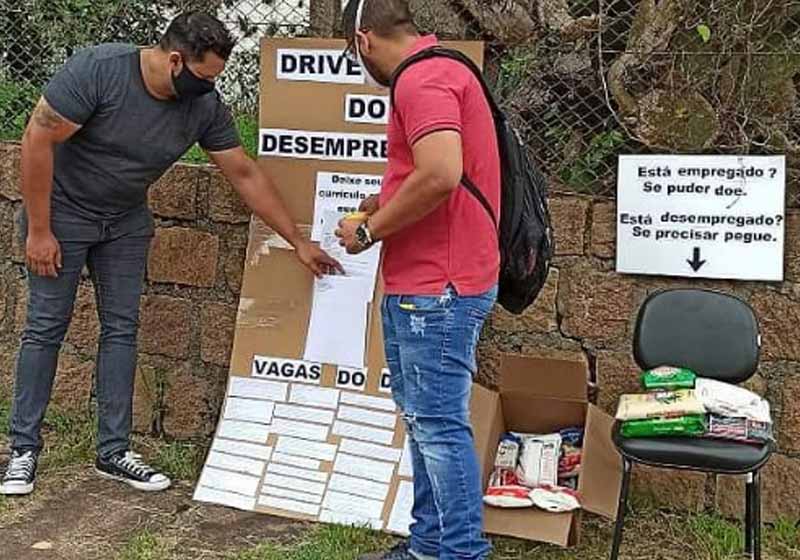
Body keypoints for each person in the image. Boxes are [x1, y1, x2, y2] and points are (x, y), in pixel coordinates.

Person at [1, 11, 340, 497]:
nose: (209, 88)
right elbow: (37, 138)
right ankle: (23, 450)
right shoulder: (99, 71)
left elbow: (243, 173)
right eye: (204, 77)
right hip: (62, 215)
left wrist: (298, 241)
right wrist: (39, 230)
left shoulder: (202, 105)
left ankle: (113, 451)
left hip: (124, 222)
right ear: (176, 60)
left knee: (122, 329)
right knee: (45, 327)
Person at [337, 1, 501, 559]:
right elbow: (434, 171)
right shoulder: (445, 67)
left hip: (438, 287)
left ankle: (460, 552)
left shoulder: (420, 79)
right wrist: (383, 201)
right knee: (425, 421)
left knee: (438, 426)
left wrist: (369, 230)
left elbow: (441, 173)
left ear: (364, 41)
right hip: (438, 280)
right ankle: (429, 544)